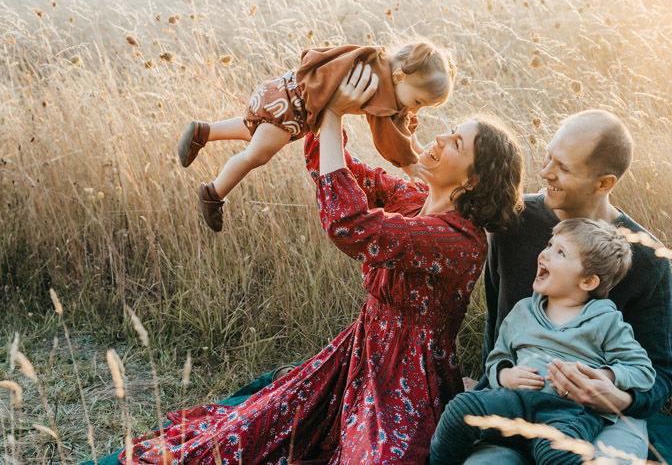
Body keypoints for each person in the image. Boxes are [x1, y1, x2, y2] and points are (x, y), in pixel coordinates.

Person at [119, 62, 524, 464]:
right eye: (451, 130)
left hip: (409, 378)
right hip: (360, 350)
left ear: (472, 181)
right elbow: (332, 167)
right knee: (250, 433)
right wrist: (331, 103)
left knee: (377, 458)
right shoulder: (411, 199)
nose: (440, 136)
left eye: (456, 142)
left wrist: (330, 116)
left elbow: (352, 226)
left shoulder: (459, 240)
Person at [462, 109, 672, 464]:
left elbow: (660, 374)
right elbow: (496, 331)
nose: (545, 173)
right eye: (547, 157)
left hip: (601, 419)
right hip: (516, 407)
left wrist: (617, 398)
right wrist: (497, 377)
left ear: (604, 183)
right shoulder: (512, 223)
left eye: (563, 167)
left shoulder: (648, 260)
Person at [429, 218, 656, 465]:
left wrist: (605, 375)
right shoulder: (522, 312)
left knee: (557, 454)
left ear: (588, 281)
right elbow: (497, 358)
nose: (544, 254)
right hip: (514, 402)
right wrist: (506, 376)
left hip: (569, 412)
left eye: (560, 252)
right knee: (460, 409)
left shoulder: (605, 320)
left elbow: (642, 370)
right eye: (549, 244)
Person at [178, 40, 455, 231]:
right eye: (418, 101)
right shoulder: (378, 86)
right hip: (292, 109)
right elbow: (386, 135)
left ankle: (205, 131)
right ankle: (213, 193)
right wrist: (407, 162)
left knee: (254, 132)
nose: (413, 108)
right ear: (399, 77)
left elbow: (400, 120)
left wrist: (415, 145)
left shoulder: (380, 65)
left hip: (281, 92)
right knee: (257, 155)